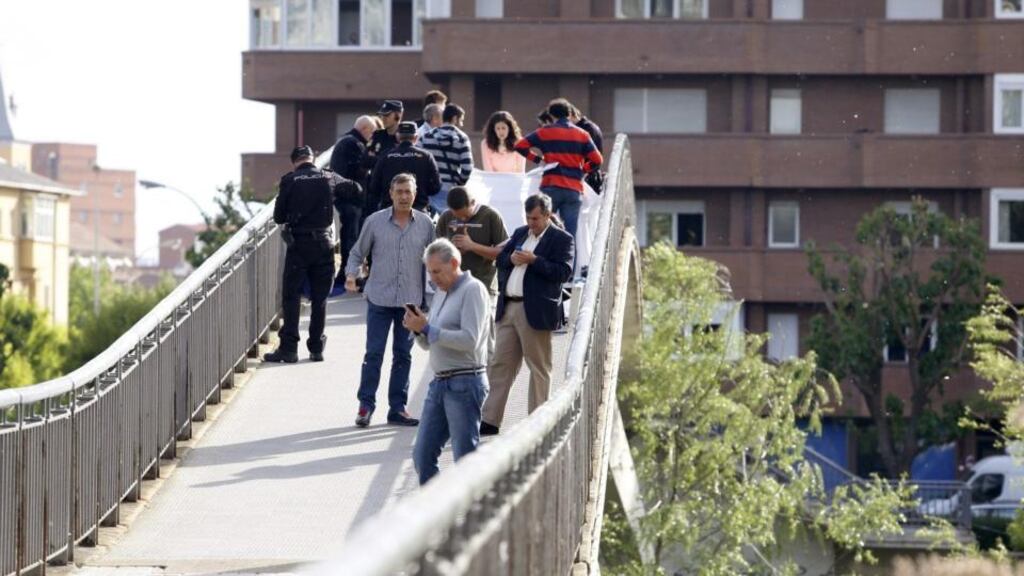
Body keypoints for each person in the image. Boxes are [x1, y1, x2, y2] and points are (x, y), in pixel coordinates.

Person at [345, 173, 435, 427]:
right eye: (400, 192)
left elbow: (434, 262)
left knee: (403, 356)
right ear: (391, 194)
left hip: (410, 303)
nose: (404, 196)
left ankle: (397, 408)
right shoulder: (374, 222)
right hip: (379, 299)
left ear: (415, 194)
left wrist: (436, 296)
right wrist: (351, 275)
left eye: (408, 192)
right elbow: (356, 253)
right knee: (373, 354)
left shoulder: (426, 225)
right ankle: (365, 406)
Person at [480, 194, 574, 435]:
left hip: (535, 310)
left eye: (535, 218)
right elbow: (500, 258)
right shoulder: (521, 232)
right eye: (528, 217)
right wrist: (509, 258)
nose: (531, 223)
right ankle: (490, 420)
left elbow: (564, 272)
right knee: (500, 364)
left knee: (538, 368)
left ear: (547, 215)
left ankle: (538, 423)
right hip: (509, 307)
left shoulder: (561, 238)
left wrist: (534, 260)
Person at [404, 238, 491, 485]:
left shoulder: (473, 290)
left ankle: (470, 518)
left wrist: (429, 329)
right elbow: (430, 342)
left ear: (454, 263)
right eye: (429, 273)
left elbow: (470, 340)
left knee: (464, 459)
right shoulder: (442, 293)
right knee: (422, 455)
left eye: (436, 272)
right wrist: (418, 329)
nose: (433, 279)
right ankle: (438, 518)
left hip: (464, 382)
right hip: (440, 382)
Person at [265, 146, 362, 363]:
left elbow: (279, 216)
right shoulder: (327, 176)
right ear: (313, 158)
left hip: (298, 246)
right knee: (320, 299)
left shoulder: (290, 180)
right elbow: (355, 189)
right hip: (324, 245)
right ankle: (316, 348)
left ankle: (289, 349)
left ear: (294, 162)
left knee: (291, 297)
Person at [514, 99, 603, 241]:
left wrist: (538, 159)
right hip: (573, 188)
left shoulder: (544, 132)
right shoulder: (582, 134)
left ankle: (545, 261)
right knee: (570, 235)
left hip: (550, 187)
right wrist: (582, 170)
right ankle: (568, 262)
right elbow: (597, 160)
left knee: (544, 231)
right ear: (569, 114)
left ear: (551, 116)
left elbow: (519, 146)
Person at [435, 186, 508, 299]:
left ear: (473, 202)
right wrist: (452, 251)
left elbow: (503, 255)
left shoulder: (490, 216)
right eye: (457, 216)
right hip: (452, 288)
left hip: (483, 288)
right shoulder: (446, 217)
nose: (463, 219)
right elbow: (435, 254)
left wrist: (472, 246)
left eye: (465, 215)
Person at [329, 115, 375, 284]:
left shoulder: (345, 141)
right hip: (351, 197)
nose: (373, 137)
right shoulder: (354, 143)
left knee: (351, 236)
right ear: (365, 129)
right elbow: (359, 168)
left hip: (345, 196)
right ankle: (348, 274)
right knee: (351, 237)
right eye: (372, 132)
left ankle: (348, 273)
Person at [370, 121, 441, 213]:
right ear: (416, 137)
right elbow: (436, 186)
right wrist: (421, 192)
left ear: (397, 137)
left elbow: (374, 187)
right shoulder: (426, 156)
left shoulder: (386, 156)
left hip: (389, 209)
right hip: (418, 209)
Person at [420, 104, 474, 215]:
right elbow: (467, 168)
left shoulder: (426, 136)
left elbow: (417, 160)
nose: (462, 124)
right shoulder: (461, 138)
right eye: (461, 120)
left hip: (428, 189)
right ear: (454, 119)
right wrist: (458, 183)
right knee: (448, 225)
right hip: (450, 189)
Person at [568, 104, 605, 194]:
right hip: (590, 175)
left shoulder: (585, 129)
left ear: (571, 115)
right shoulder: (589, 126)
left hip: (588, 178)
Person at [363, 100, 404, 175]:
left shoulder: (405, 136)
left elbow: (403, 162)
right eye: (382, 115)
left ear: (398, 114)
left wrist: (377, 158)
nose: (383, 118)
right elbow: (365, 160)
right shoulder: (377, 135)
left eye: (387, 115)